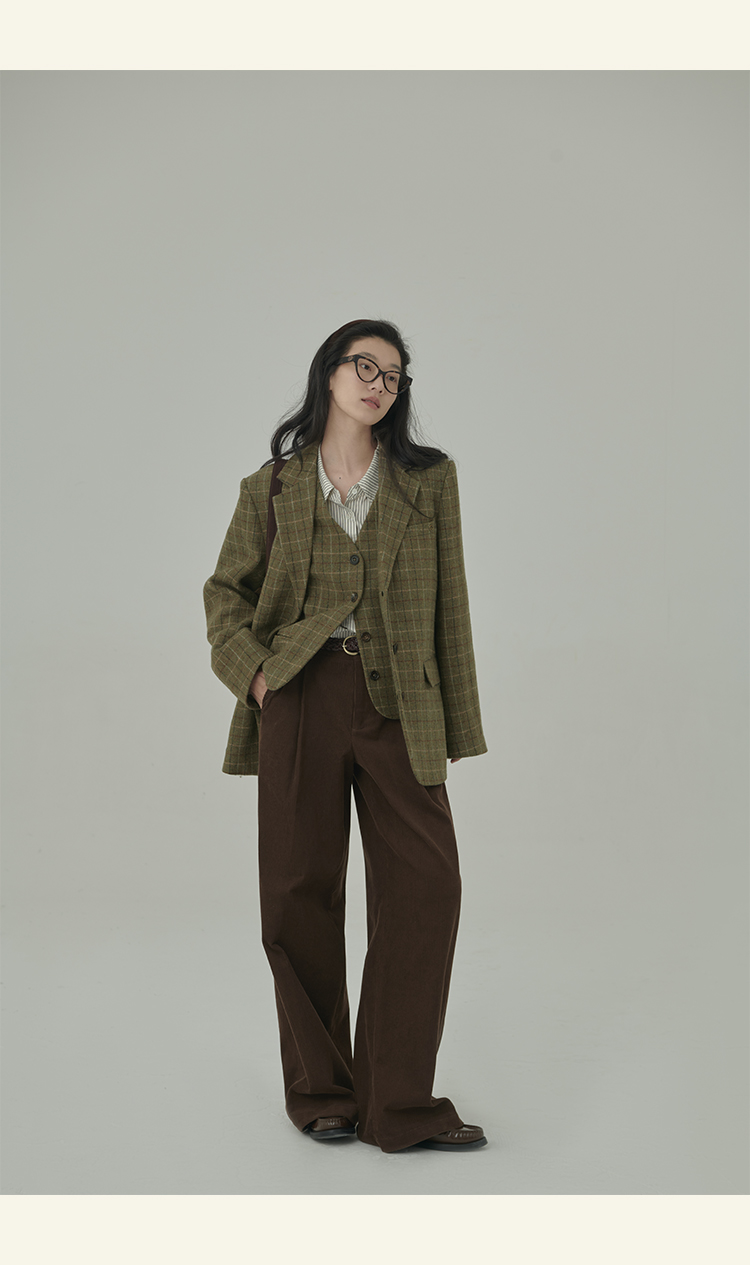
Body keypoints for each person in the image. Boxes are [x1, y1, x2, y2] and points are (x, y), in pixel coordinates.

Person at [203, 318, 489, 1154]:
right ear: (329, 373)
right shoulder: (271, 487)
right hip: (300, 696)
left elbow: (452, 603)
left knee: (428, 887)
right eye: (365, 366)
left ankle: (396, 1102)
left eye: (393, 376)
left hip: (402, 702)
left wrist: (457, 723)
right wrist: (260, 678)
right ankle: (322, 1093)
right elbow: (225, 595)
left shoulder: (429, 481)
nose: (378, 384)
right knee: (298, 891)